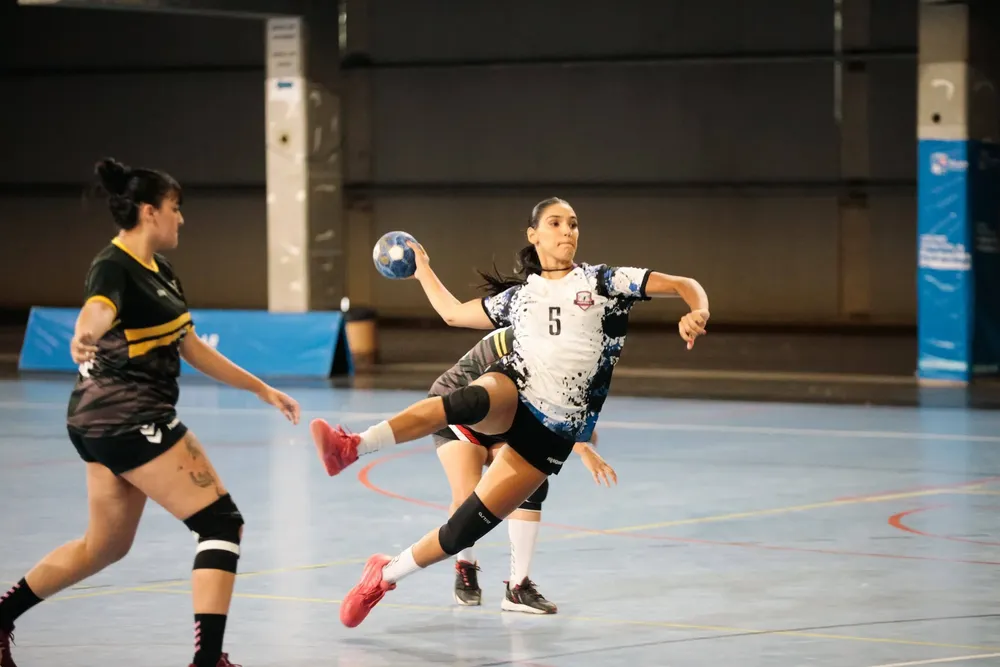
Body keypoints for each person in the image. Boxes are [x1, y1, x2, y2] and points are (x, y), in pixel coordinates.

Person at [310, 196, 709, 628]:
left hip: (553, 430)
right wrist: (423, 267)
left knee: (463, 530)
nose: (567, 231)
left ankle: (383, 576)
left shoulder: (604, 283)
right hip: (515, 387)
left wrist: (698, 309)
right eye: (556, 223)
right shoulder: (519, 299)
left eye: (573, 224)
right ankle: (352, 445)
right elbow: (451, 314)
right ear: (534, 235)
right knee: (471, 400)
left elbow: (682, 283)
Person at [0, 158, 300, 667]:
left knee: (104, 546)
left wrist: (261, 389)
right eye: (175, 208)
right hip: (128, 418)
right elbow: (97, 308)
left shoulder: (162, 272)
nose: (180, 219)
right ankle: (208, 662)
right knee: (221, 523)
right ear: (149, 212)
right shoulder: (113, 267)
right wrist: (84, 335)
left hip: (99, 423)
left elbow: (192, 348)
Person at [428, 326, 617, 613]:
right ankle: (465, 563)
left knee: (532, 481)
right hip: (459, 410)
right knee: (469, 496)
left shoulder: (572, 355)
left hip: (503, 419)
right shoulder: (523, 341)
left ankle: (517, 587)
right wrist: (582, 448)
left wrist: (582, 437)